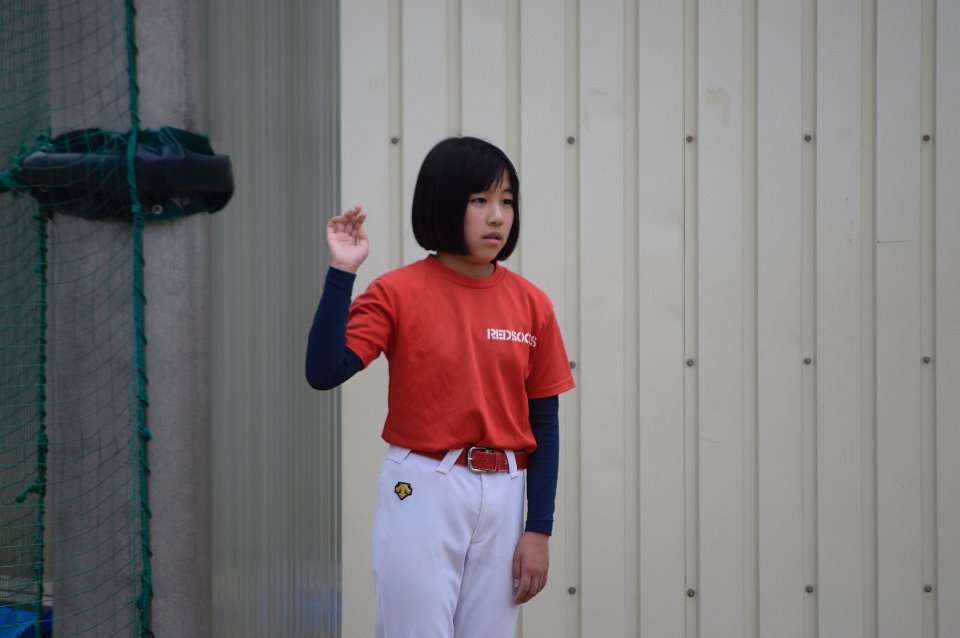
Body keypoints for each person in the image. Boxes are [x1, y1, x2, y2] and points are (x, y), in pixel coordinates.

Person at [305, 136, 575, 637]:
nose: (497, 216)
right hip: (423, 486)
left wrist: (538, 528)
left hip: (506, 492)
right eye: (479, 200)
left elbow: (545, 422)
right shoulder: (397, 292)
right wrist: (342, 271)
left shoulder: (532, 304)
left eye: (507, 201)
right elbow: (324, 371)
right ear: (443, 202)